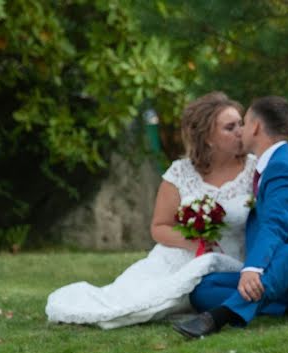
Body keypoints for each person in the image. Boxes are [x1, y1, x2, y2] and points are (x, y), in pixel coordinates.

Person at [45, 92, 256, 329]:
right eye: (230, 127)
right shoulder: (180, 173)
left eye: (241, 123)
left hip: (236, 261)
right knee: (136, 297)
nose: (241, 131)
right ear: (208, 138)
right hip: (180, 255)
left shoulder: (255, 171)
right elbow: (159, 227)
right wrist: (194, 243)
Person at [173, 95, 288, 339]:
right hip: (281, 274)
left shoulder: (283, 166)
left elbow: (274, 225)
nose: (241, 130)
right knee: (204, 289)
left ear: (255, 127)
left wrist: (253, 268)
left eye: (244, 123)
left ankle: (218, 317)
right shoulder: (272, 163)